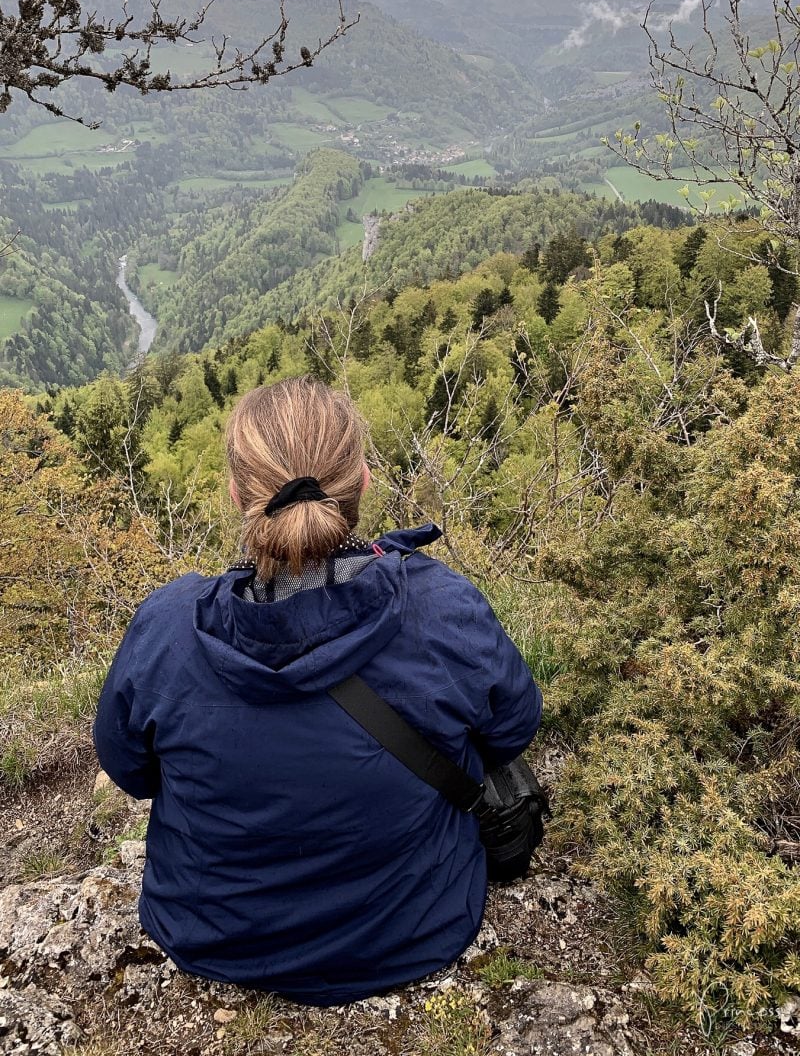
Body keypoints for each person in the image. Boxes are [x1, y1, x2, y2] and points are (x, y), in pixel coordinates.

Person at [93, 375, 542, 1005]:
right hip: (417, 931)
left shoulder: (168, 630)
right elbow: (511, 731)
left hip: (209, 934)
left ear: (235, 494)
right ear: (361, 480)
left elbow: (130, 769)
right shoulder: (444, 612)